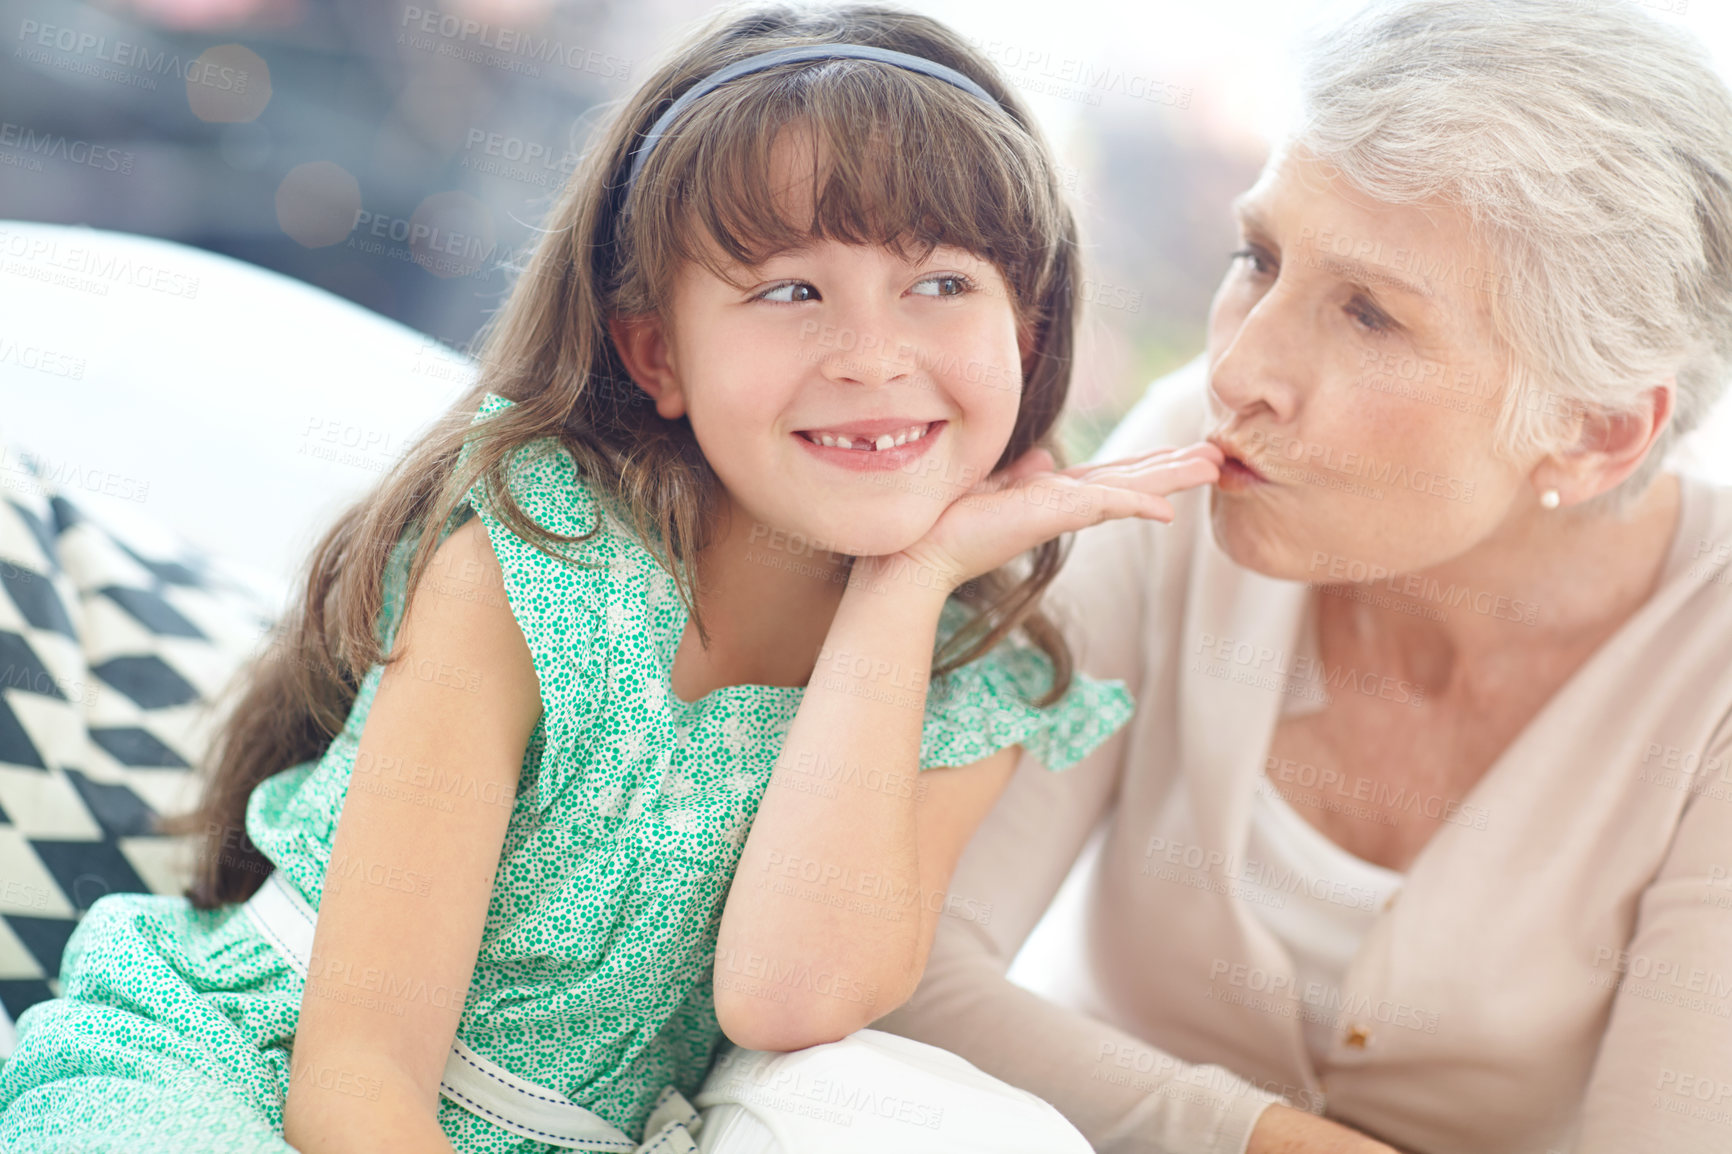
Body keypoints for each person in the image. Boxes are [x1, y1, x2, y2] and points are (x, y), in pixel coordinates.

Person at [0, 5, 1225, 1153]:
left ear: (1026, 330)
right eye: (789, 289)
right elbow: (355, 1074)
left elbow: (786, 992)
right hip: (255, 1080)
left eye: (941, 283)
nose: (870, 355)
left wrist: (906, 588)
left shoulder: (974, 678)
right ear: (657, 353)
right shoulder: (542, 560)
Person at [877, 1, 1732, 1152]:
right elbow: (898, 959)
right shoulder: (1188, 462)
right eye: (1259, 258)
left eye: (1369, 314)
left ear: (1595, 434)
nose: (1239, 367)